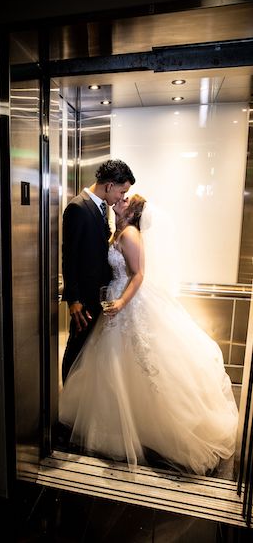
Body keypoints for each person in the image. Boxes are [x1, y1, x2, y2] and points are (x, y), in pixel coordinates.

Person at [59, 194, 239, 476]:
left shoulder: (130, 233)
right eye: (121, 196)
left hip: (127, 301)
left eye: (125, 200)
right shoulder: (118, 230)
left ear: (131, 213)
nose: (120, 200)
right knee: (115, 362)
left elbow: (139, 274)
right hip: (115, 298)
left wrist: (120, 303)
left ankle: (154, 425)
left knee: (139, 360)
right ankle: (117, 421)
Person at [61, 159, 135, 383]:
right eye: (122, 191)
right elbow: (70, 257)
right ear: (110, 185)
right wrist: (73, 299)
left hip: (100, 294)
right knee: (76, 349)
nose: (122, 197)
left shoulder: (102, 207)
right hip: (84, 297)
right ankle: (67, 403)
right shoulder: (77, 207)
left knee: (88, 353)